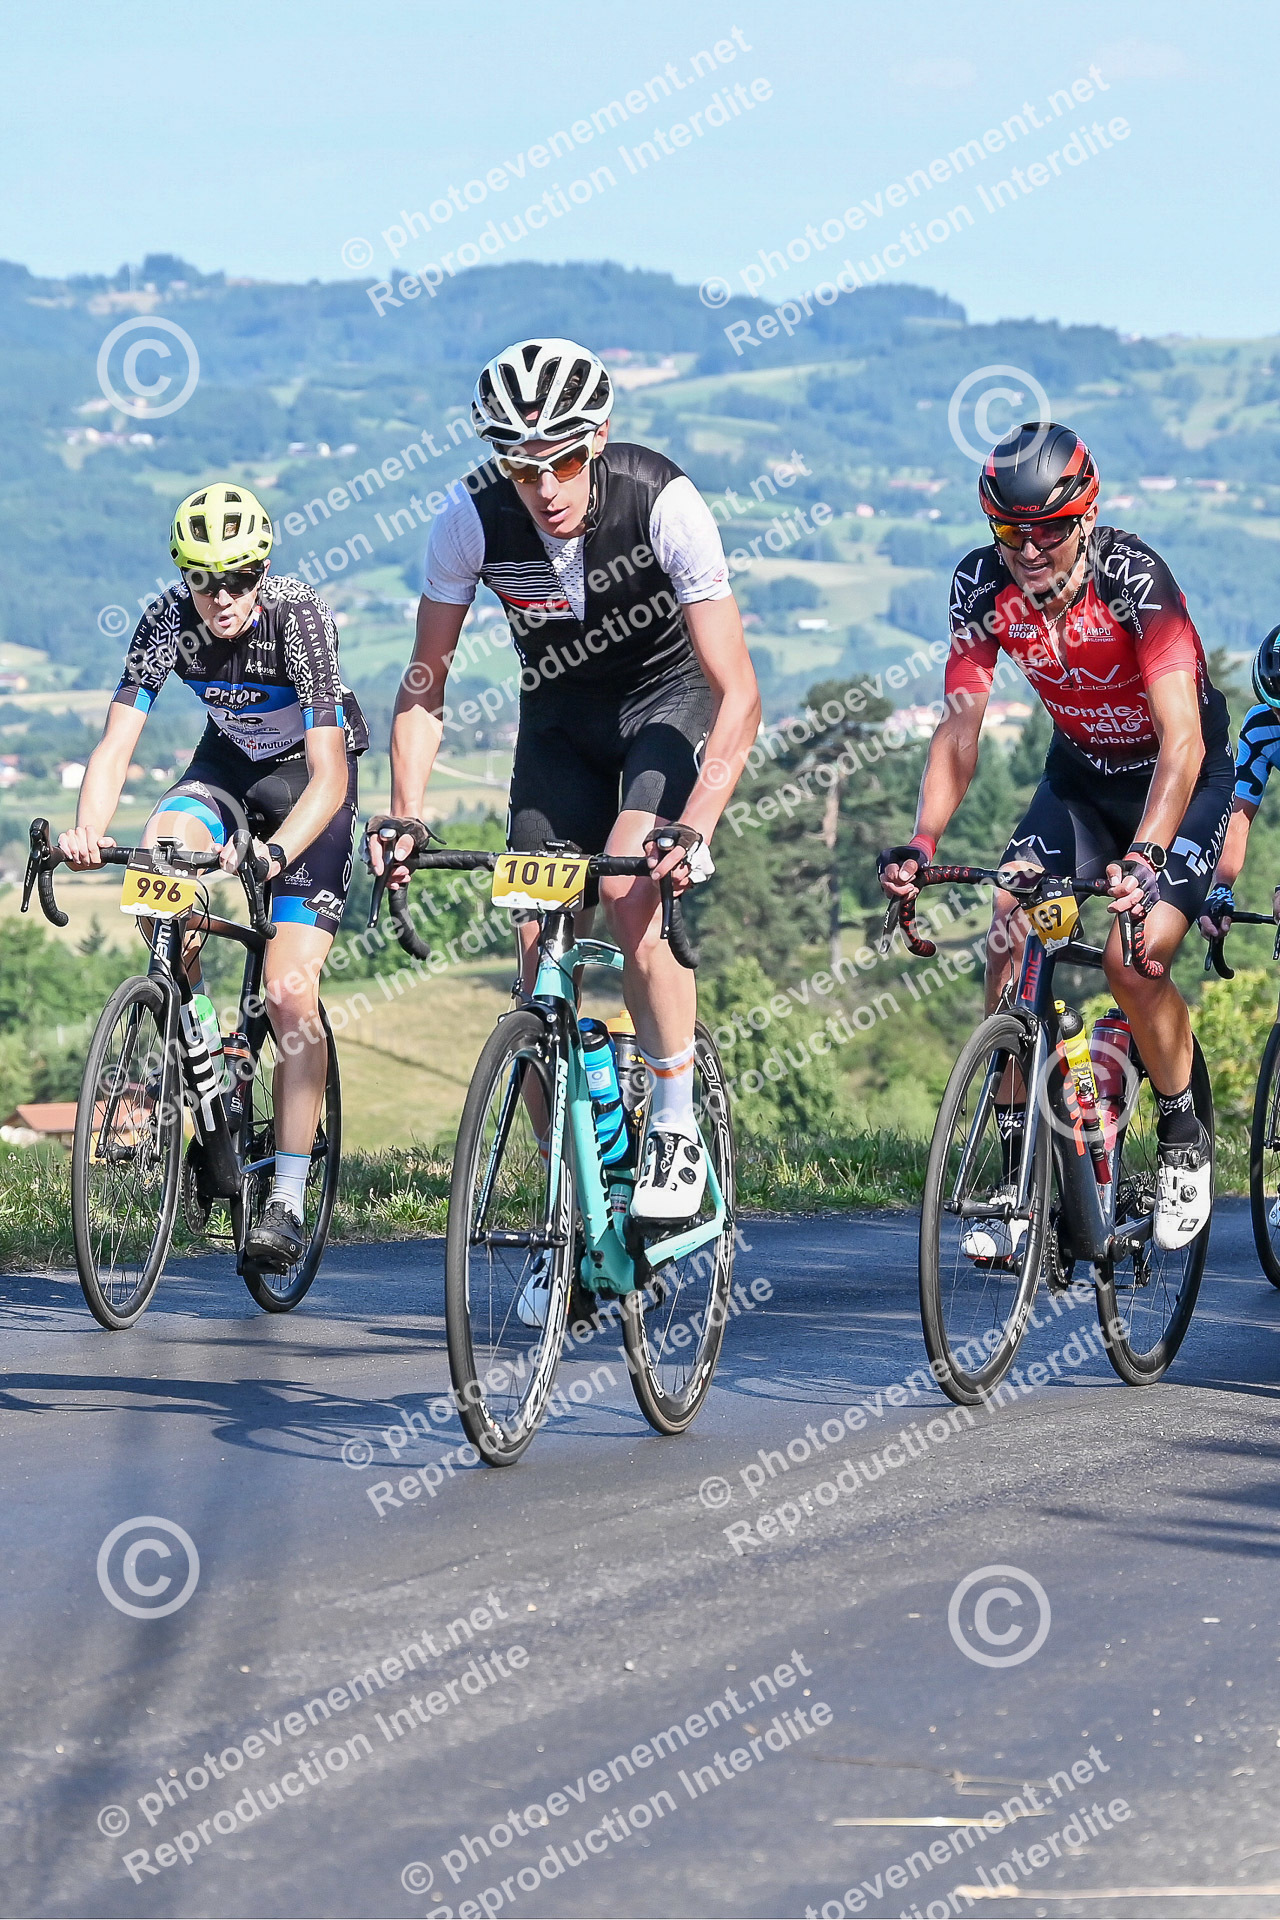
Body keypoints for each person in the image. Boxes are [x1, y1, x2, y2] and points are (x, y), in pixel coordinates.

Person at [370, 336, 760, 1246]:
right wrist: (407, 812)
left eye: (565, 462)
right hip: (558, 721)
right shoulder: (469, 518)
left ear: (600, 439)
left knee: (627, 887)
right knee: (535, 949)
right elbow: (425, 682)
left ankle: (674, 1122)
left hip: (666, 704)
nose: (545, 487)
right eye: (521, 466)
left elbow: (739, 692)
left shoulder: (661, 499)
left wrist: (696, 827)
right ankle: (571, 1218)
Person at [878, 421, 1233, 1254]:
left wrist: (1146, 855)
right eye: (1010, 530)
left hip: (1179, 784)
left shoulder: (1133, 579)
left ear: (1087, 515)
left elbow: (1182, 742)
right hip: (1078, 781)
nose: (1029, 550)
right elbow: (959, 725)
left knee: (1130, 962)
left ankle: (1183, 1132)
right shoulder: (981, 584)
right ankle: (1018, 1184)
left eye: (1049, 529)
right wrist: (923, 840)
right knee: (1009, 922)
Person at [59, 482, 367, 1270]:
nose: (222, 597)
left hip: (307, 785)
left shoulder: (296, 614)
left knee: (290, 992)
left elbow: (331, 774)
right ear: (184, 577)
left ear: (261, 571)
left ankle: (287, 1200)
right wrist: (88, 830)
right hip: (226, 766)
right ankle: (206, 1061)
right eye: (204, 580)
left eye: (238, 578)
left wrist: (273, 854)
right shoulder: (167, 619)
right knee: (156, 865)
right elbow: (117, 743)